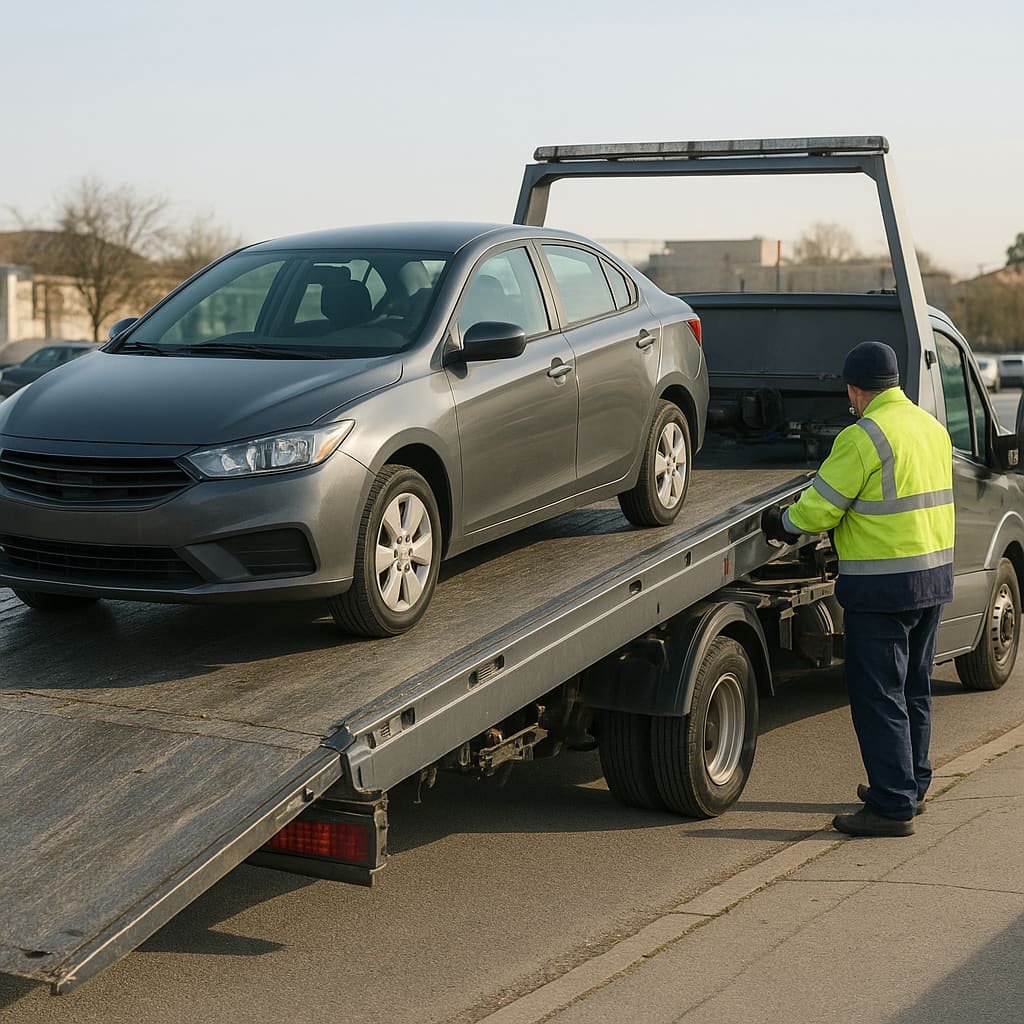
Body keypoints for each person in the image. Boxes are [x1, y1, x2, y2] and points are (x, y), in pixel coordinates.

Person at [763, 341, 954, 837]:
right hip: (932, 577)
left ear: (855, 389)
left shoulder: (863, 436)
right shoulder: (931, 428)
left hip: (882, 586)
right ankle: (911, 786)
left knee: (879, 694)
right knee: (914, 688)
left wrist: (783, 522)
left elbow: (821, 508)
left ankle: (892, 805)